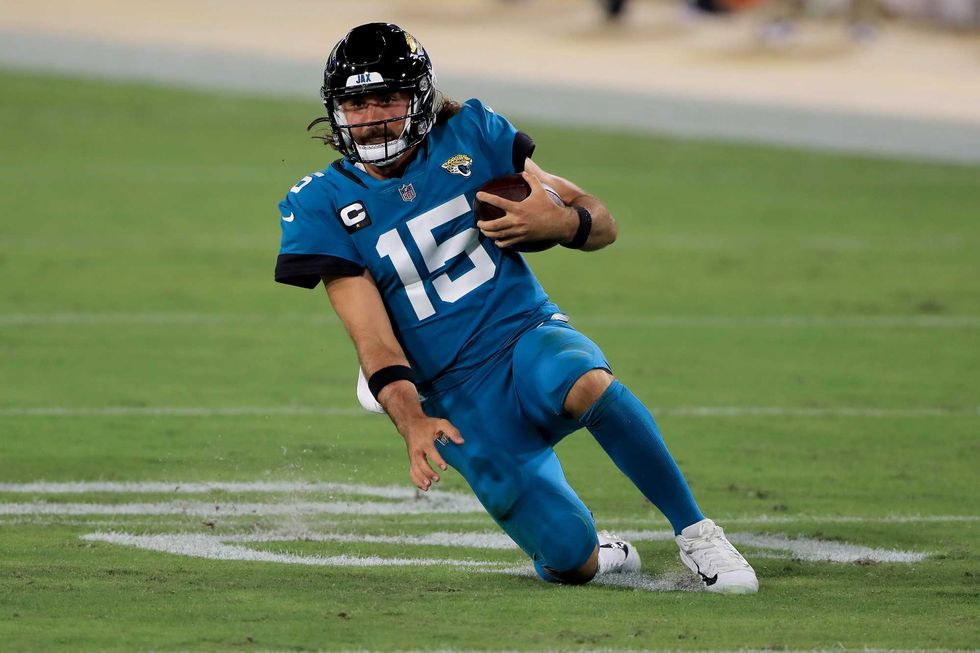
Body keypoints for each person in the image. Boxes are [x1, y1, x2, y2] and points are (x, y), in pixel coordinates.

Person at [274, 22, 758, 592]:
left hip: (521, 332)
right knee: (568, 560)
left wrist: (563, 222)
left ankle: (697, 531)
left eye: (388, 98)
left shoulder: (471, 135)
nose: (373, 115)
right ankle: (593, 552)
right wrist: (410, 421)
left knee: (584, 381)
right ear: (335, 110)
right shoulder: (322, 203)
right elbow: (374, 342)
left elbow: (600, 220)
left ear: (421, 98)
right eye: (356, 102)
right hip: (451, 389)